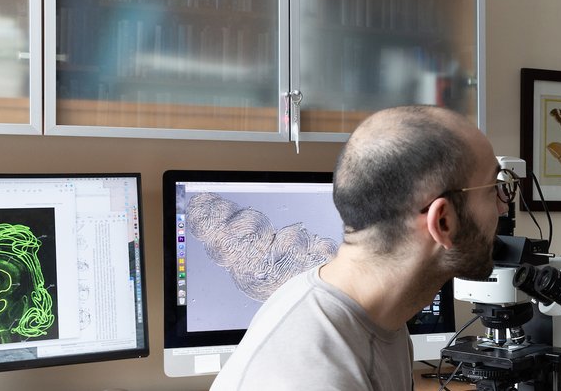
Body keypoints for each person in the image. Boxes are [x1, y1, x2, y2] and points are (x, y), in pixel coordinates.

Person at [211, 105, 509, 390]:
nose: (502, 207)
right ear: (443, 222)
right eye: (492, 189)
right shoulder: (314, 375)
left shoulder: (382, 314)